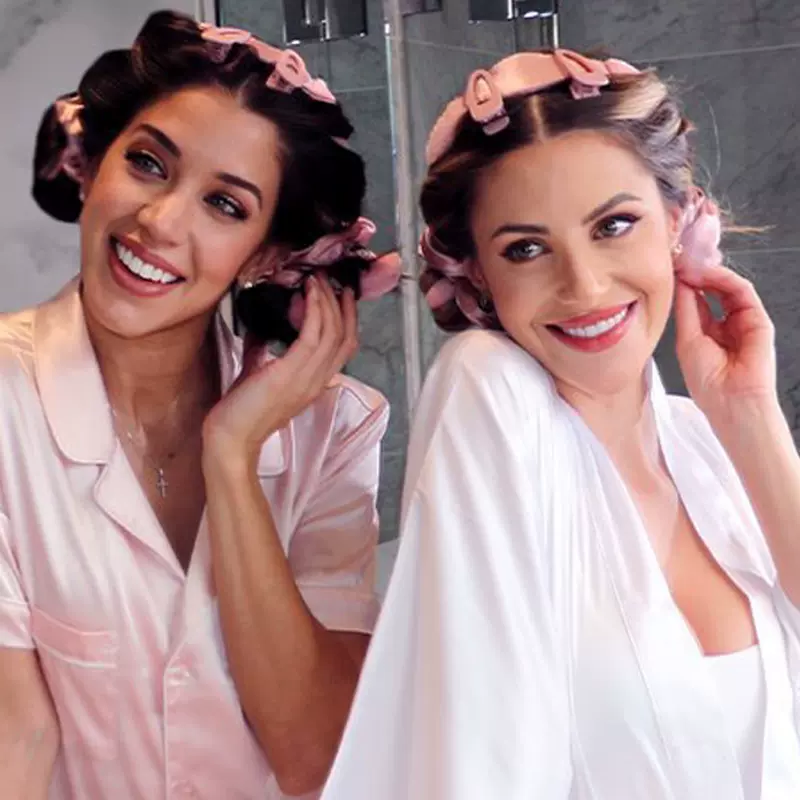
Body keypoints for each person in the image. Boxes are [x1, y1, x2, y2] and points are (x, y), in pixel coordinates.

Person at [321, 49, 800, 799]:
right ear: (480, 274)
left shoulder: (704, 442)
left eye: (614, 225)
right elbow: (479, 768)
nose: (584, 286)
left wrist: (751, 418)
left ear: (677, 222)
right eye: (526, 249)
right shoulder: (489, 391)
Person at [0, 10, 400, 800]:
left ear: (267, 255)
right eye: (147, 163)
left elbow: (314, 756)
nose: (158, 221)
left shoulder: (334, 429)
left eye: (225, 206)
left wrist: (233, 455)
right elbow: (21, 736)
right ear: (91, 165)